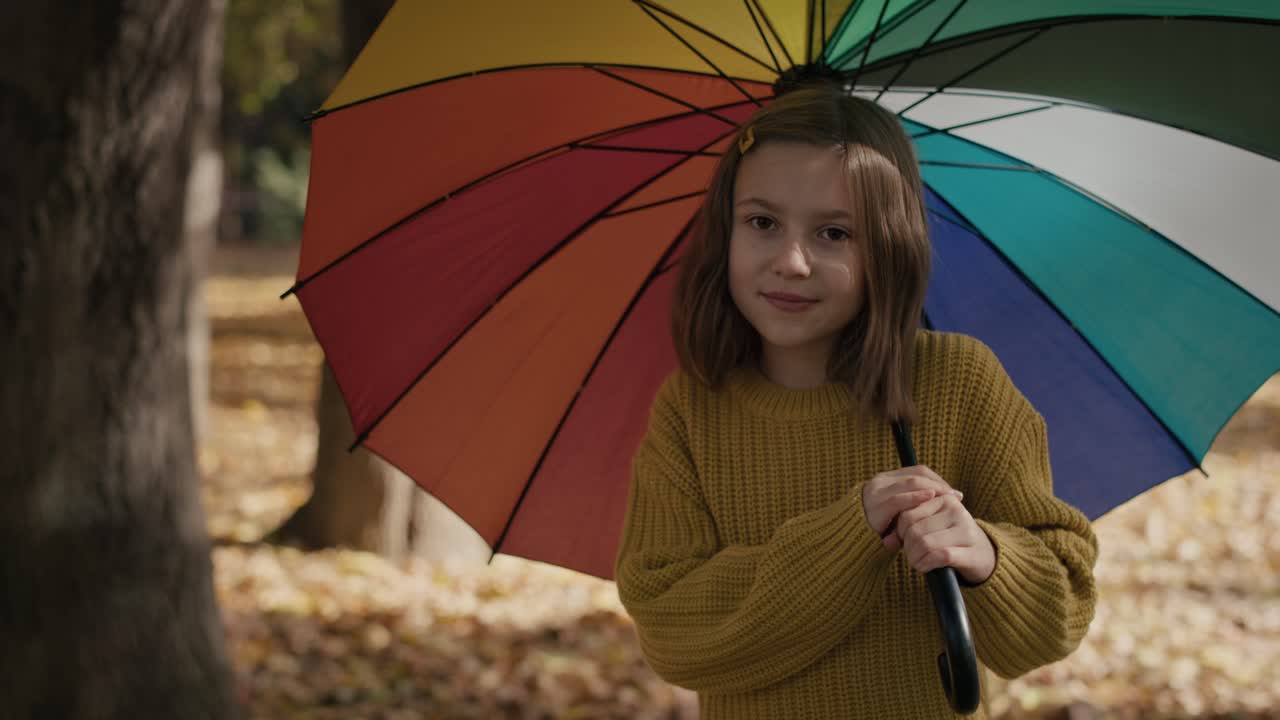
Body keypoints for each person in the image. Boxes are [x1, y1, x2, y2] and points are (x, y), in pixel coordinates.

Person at [613, 86, 1098, 719]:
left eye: (835, 233)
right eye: (762, 222)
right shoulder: (691, 413)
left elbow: (1050, 625)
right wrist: (852, 533)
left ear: (887, 248)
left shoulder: (958, 383)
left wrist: (986, 558)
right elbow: (675, 634)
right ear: (724, 229)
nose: (791, 261)